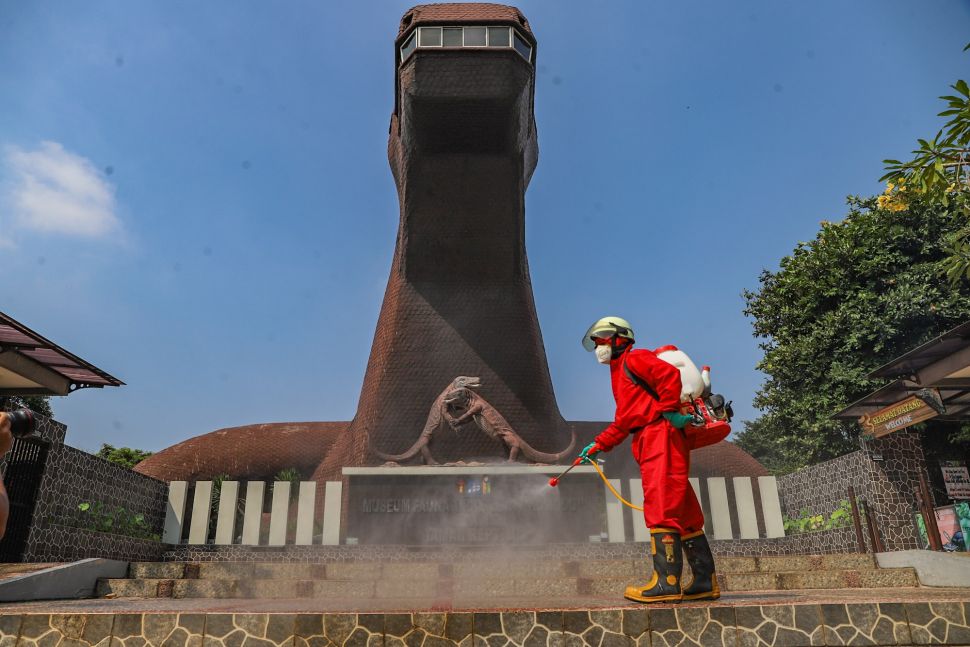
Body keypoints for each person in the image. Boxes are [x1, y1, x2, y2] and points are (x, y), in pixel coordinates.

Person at [579, 316, 719, 603]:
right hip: (649, 436)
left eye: (602, 341)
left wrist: (668, 410)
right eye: (595, 344)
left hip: (660, 435)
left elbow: (670, 375)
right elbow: (624, 422)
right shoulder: (619, 375)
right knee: (684, 510)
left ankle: (667, 583)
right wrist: (598, 445)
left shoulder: (635, 359)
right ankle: (705, 581)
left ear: (620, 339)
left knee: (662, 503)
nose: (599, 349)